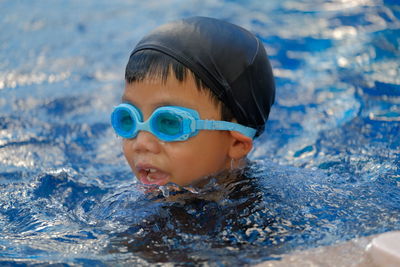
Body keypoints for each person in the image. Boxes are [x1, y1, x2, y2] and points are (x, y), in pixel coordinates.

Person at [111, 16, 275, 187]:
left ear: (237, 143)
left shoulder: (269, 212)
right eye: (127, 119)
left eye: (169, 122)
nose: (141, 143)